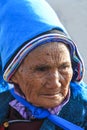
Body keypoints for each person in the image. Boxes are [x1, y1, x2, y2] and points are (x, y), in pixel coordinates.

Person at [0, 0, 87, 129]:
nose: (55, 83)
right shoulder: (5, 106)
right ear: (12, 74)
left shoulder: (81, 113)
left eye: (64, 67)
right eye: (41, 69)